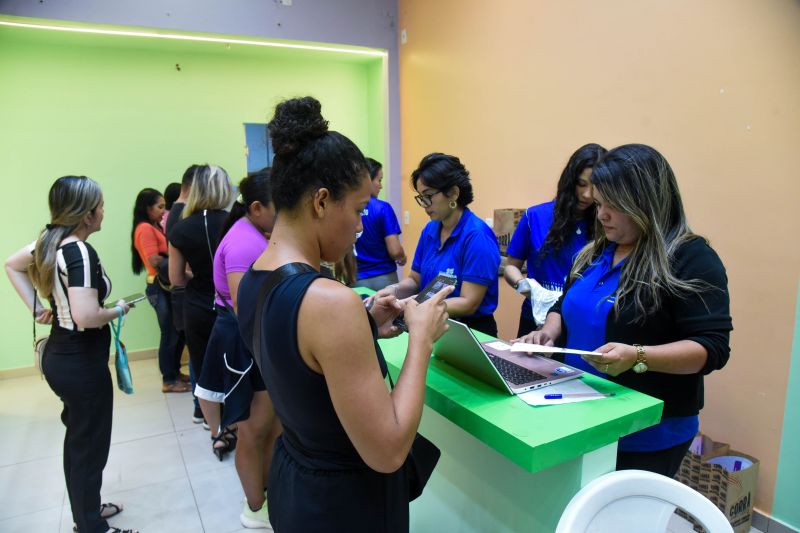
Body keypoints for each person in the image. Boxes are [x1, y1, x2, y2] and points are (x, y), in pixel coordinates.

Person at [237, 96, 451, 532]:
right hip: (344, 506)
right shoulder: (329, 302)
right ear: (320, 201)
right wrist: (421, 341)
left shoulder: (254, 276)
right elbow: (388, 450)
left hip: (296, 484)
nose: (359, 225)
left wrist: (365, 322)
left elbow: (298, 361)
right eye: (357, 209)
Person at [519, 144, 732, 478]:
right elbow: (564, 304)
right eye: (599, 204)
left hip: (647, 434)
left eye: (613, 206)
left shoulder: (690, 258)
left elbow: (712, 348)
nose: (601, 215)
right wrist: (549, 330)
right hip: (581, 416)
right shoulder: (596, 251)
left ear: (645, 203)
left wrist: (638, 356)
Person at [5, 176, 137, 533]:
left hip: (64, 356)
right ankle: (90, 525)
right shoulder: (78, 251)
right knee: (89, 446)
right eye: (100, 205)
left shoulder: (49, 242)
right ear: (86, 214)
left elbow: (11, 265)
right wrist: (118, 309)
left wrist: (36, 309)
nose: (104, 210)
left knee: (81, 441)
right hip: (80, 362)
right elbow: (87, 316)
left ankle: (87, 511)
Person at [194, 169, 280, 529]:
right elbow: (245, 308)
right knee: (254, 431)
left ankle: (267, 496)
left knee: (269, 428)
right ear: (257, 208)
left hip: (253, 339)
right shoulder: (245, 242)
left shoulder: (253, 233)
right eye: (280, 207)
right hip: (246, 341)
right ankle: (255, 507)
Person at [372, 153, 501, 336]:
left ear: (453, 193)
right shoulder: (431, 229)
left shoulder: (477, 236)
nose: (424, 204)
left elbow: (469, 302)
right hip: (431, 322)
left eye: (428, 196)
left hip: (470, 330)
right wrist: (392, 291)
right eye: (420, 197)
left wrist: (414, 304)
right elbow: (415, 280)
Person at [503, 143, 607, 337]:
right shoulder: (534, 216)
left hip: (578, 323)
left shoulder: (605, 223)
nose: (587, 194)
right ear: (569, 180)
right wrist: (528, 289)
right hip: (534, 316)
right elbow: (510, 266)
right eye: (581, 184)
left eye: (595, 187)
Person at [168, 164, 231, 437]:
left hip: (197, 305)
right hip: (230, 304)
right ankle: (234, 419)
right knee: (232, 361)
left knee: (203, 364)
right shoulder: (236, 223)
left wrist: (199, 274)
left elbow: (176, 278)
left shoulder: (180, 229)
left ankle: (209, 421)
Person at [130, 188, 190, 393]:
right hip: (159, 286)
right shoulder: (145, 228)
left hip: (163, 286)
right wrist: (177, 266)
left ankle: (175, 373)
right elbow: (154, 260)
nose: (164, 211)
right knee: (170, 333)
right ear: (147, 208)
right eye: (160, 207)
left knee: (176, 332)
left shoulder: (154, 226)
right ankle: (169, 379)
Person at [353, 157, 406, 290]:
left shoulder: (348, 207)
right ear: (368, 180)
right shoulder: (382, 208)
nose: (381, 186)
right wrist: (403, 257)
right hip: (384, 279)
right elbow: (395, 251)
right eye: (379, 180)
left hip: (355, 280)